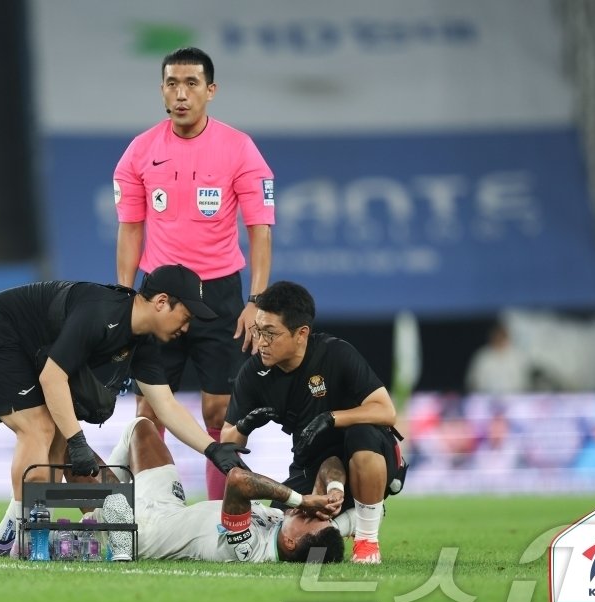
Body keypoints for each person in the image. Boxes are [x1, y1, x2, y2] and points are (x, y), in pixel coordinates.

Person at [0, 264, 250, 557]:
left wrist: (212, 449)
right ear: (161, 302)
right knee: (40, 428)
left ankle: (10, 536)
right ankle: (19, 537)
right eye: (186, 316)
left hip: (24, 347)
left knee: (56, 440)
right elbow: (52, 377)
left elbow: (166, 405)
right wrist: (78, 441)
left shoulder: (141, 342)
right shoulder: (101, 312)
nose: (187, 328)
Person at [114, 46, 274, 500]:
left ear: (211, 90)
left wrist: (256, 301)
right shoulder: (140, 151)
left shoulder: (239, 148)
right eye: (172, 84)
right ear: (162, 90)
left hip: (220, 293)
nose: (181, 93)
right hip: (159, 296)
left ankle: (224, 519)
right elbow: (130, 228)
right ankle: (153, 510)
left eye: (191, 83)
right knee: (149, 411)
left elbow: (260, 230)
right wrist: (123, 298)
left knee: (220, 410)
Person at [219, 281, 405, 564]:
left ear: (301, 333)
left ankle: (367, 541)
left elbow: (386, 411)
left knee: (361, 435)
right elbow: (226, 444)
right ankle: (356, 518)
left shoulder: (335, 353)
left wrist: (331, 418)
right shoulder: (253, 374)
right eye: (258, 330)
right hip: (313, 463)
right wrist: (244, 426)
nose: (261, 342)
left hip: (365, 453)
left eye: (271, 333)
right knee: (284, 527)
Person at [98, 417, 347, 563]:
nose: (309, 512)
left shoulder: (247, 548)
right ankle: (106, 506)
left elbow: (237, 479)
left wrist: (300, 500)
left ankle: (109, 520)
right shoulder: (285, 526)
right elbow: (331, 462)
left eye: (308, 520)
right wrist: (335, 492)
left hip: (145, 532)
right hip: (170, 510)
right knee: (141, 428)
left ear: (290, 543)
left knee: (81, 460)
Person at [464, 321, 531, 394]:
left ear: (506, 336)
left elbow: (527, 381)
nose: (498, 338)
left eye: (501, 336)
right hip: (487, 397)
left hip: (515, 397)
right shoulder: (482, 356)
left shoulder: (518, 355)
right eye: (496, 336)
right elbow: (473, 381)